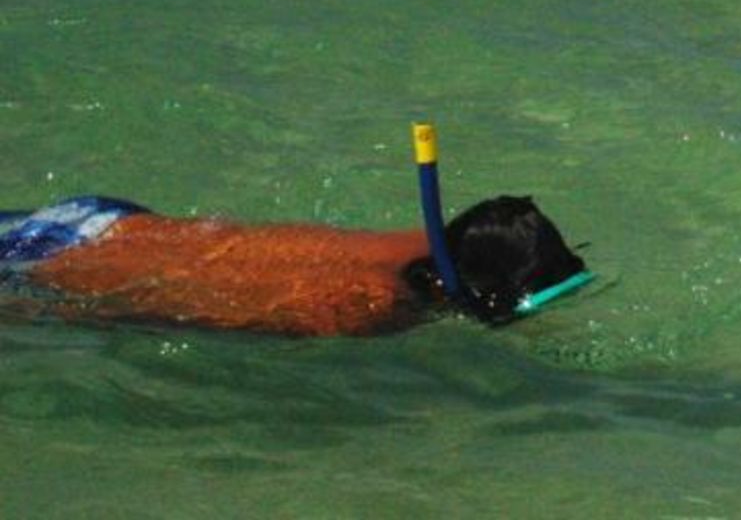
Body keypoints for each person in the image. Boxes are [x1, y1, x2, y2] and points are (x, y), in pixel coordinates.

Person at [1, 192, 588, 336]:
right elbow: (177, 312)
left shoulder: (436, 240)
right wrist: (39, 313)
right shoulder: (365, 307)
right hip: (52, 257)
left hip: (105, 218)